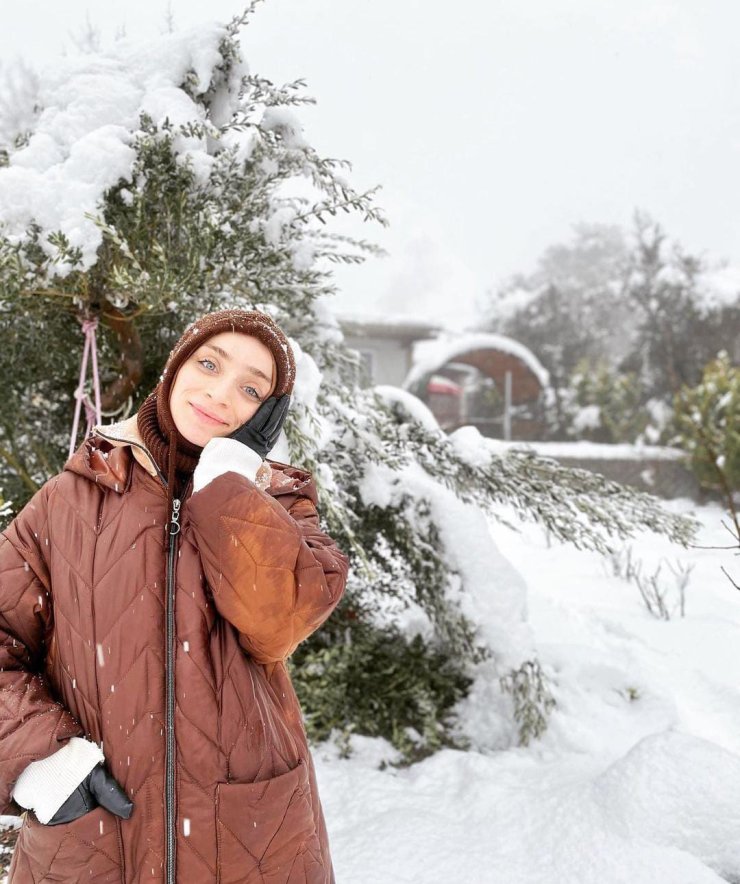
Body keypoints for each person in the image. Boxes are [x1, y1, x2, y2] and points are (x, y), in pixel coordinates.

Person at [0, 309, 349, 883]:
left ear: (268, 414)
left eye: (250, 389)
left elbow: (277, 624)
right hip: (93, 837)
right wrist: (45, 761)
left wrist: (226, 483)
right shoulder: (71, 498)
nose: (220, 393)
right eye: (209, 364)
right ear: (176, 367)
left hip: (249, 839)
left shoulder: (283, 505)